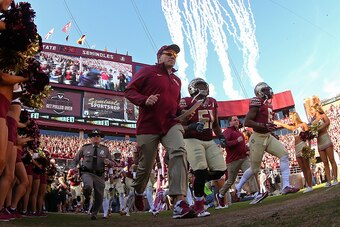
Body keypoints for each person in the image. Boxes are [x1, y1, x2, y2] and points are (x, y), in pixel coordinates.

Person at [124, 44, 196, 219]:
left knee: (179, 151)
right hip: (148, 126)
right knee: (146, 165)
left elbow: (174, 105)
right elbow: (129, 91)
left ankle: (179, 201)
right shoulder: (148, 71)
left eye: (175, 55)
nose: (172, 56)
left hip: (170, 124)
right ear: (159, 57)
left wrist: (184, 112)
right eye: (168, 54)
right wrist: (144, 99)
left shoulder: (177, 81)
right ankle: (139, 192)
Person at [235, 82, 299, 199]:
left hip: (267, 136)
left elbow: (267, 123)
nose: (268, 91)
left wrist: (271, 131)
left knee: (284, 155)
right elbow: (247, 122)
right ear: (259, 92)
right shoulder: (257, 102)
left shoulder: (268, 104)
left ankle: (286, 186)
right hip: (258, 138)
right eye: (265, 90)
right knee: (254, 168)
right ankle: (238, 186)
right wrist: (264, 126)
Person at [180, 77, 227, 217]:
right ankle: (199, 205)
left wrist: (222, 137)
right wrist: (191, 126)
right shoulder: (187, 102)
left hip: (209, 140)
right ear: (192, 89)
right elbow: (178, 124)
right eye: (199, 85)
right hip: (191, 139)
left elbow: (216, 124)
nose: (203, 88)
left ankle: (197, 180)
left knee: (220, 170)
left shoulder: (212, 102)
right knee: (200, 169)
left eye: (204, 85)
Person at [216, 116, 261, 206]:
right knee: (230, 181)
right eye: (234, 120)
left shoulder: (239, 133)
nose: (237, 121)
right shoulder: (227, 132)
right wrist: (236, 141)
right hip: (233, 160)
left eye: (237, 120)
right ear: (230, 122)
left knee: (250, 173)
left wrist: (247, 149)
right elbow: (224, 144)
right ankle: (220, 194)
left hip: (243, 158)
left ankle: (256, 194)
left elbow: (241, 146)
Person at [73, 129, 114, 220]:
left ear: (100, 138)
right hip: (87, 172)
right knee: (88, 186)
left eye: (98, 136)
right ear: (90, 138)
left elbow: (112, 163)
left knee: (99, 196)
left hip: (100, 175)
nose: (96, 138)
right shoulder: (85, 148)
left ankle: (94, 213)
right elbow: (75, 159)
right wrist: (74, 168)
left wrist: (109, 162)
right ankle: (87, 197)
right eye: (94, 136)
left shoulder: (105, 149)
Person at [274, 111, 314, 193]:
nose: (290, 119)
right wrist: (275, 122)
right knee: (302, 168)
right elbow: (284, 125)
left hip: (303, 146)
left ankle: (310, 185)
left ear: (295, 117)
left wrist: (309, 147)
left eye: (291, 117)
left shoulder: (303, 124)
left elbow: (309, 136)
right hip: (296, 148)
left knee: (307, 167)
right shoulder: (294, 127)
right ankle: (308, 185)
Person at [310, 104, 338, 187]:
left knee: (332, 160)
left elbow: (328, 122)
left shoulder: (323, 116)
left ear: (316, 109)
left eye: (312, 110)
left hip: (326, 139)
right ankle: (328, 181)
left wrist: (319, 128)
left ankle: (335, 179)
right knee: (325, 162)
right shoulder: (313, 121)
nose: (311, 112)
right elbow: (313, 132)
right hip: (319, 142)